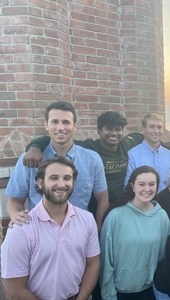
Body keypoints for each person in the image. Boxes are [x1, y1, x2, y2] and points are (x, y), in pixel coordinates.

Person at [1, 156, 100, 300]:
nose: (61, 184)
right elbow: (14, 290)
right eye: (54, 178)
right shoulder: (21, 228)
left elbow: (93, 264)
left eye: (67, 178)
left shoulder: (87, 219)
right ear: (40, 183)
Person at [5, 101, 108, 230]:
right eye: (54, 122)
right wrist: (16, 216)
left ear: (75, 126)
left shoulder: (92, 159)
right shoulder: (28, 159)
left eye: (66, 122)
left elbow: (102, 199)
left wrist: (98, 230)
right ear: (46, 125)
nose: (60, 127)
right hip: (40, 232)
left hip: (80, 231)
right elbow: (15, 200)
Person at [23, 111, 144, 204]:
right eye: (108, 129)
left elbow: (138, 136)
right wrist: (34, 147)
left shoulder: (126, 144)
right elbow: (51, 139)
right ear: (99, 131)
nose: (114, 133)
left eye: (118, 129)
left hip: (123, 204)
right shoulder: (90, 147)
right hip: (97, 205)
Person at [101, 166, 170, 300]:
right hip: (119, 292)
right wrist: (108, 295)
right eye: (141, 184)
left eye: (152, 184)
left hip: (151, 292)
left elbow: (163, 258)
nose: (147, 189)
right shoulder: (115, 216)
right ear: (132, 186)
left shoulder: (162, 217)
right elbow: (106, 261)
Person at [124, 113, 170, 192]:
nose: (156, 131)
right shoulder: (133, 155)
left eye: (159, 127)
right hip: (142, 202)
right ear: (143, 129)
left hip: (166, 203)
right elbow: (128, 185)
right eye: (152, 127)